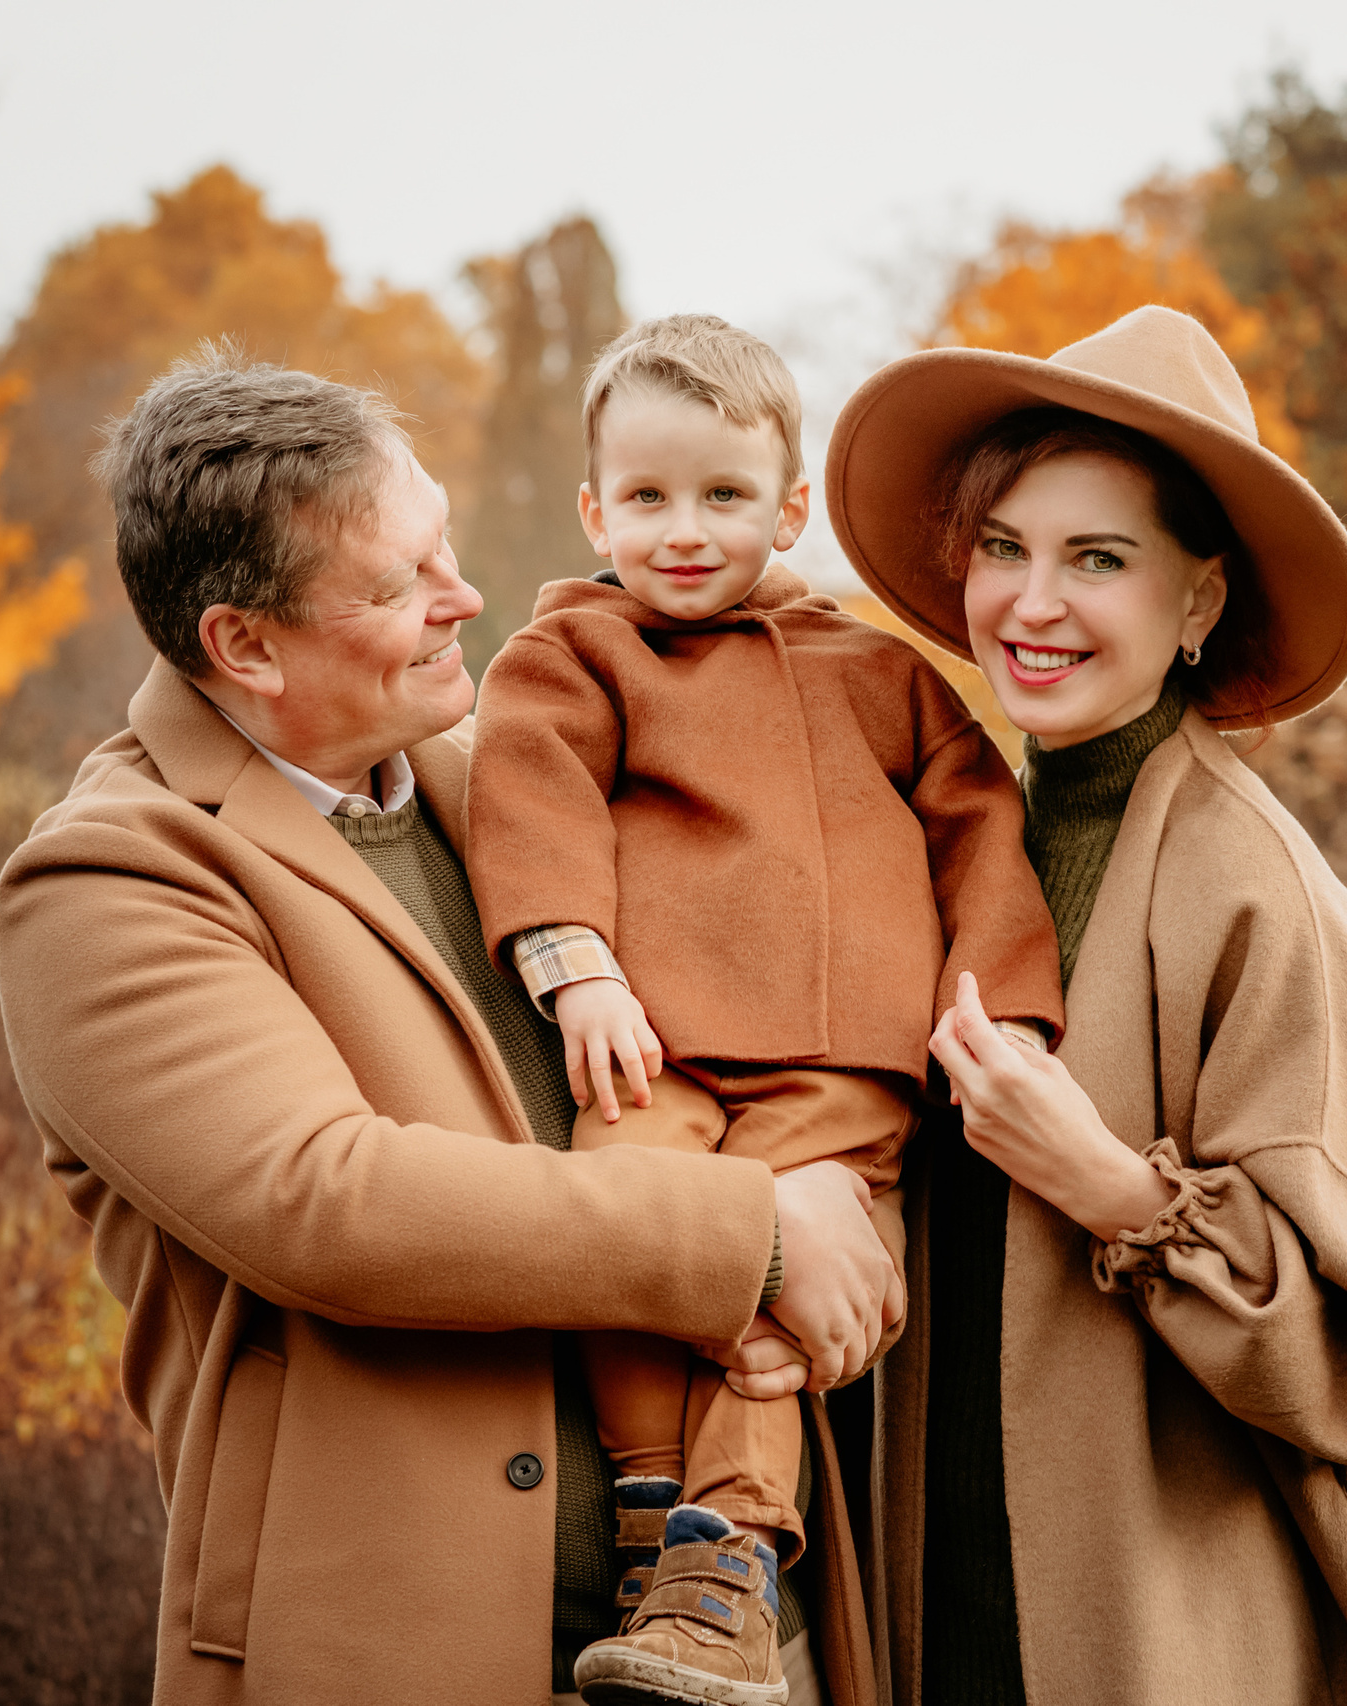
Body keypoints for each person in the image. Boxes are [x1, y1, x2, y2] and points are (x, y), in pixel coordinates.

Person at [0, 350, 902, 1706]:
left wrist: (850, 1200)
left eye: (447, 548)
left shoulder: (517, 787)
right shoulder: (112, 882)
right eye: (397, 585)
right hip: (404, 1649)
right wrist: (761, 1235)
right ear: (245, 643)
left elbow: (760, 995)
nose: (462, 600)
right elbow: (332, 1201)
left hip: (735, 1639)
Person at [823, 306, 1347, 1705]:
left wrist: (1114, 1188)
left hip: (1156, 1619)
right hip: (930, 1588)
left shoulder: (1264, 895)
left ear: (1198, 602)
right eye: (1004, 548)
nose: (1029, 604)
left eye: (1095, 560)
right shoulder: (950, 830)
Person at [467, 314, 1063, 1706]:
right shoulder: (574, 653)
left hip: (842, 1061)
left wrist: (1002, 1021)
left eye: (725, 496)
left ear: (789, 508)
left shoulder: (883, 671)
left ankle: (724, 1557)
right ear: (593, 507)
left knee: (790, 1286)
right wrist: (577, 961)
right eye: (648, 497)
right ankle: (650, 1508)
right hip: (653, 1036)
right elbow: (530, 787)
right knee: (623, 1214)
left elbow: (978, 831)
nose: (685, 529)